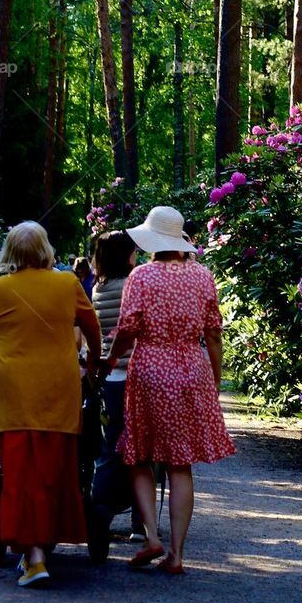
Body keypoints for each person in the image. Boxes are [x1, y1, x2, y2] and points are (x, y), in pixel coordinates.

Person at [99, 205, 235, 574]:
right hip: (192, 368)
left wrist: (111, 361)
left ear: (151, 241)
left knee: (139, 456)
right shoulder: (203, 276)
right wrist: (215, 377)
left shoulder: (141, 277)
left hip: (150, 369)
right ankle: (176, 554)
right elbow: (213, 333)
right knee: (179, 464)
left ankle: (151, 536)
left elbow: (127, 329)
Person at [0, 221, 102, 588]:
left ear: (10, 253)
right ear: (45, 250)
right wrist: (95, 364)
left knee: (19, 474)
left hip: (13, 391)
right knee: (54, 472)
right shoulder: (67, 283)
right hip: (57, 389)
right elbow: (91, 328)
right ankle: (40, 550)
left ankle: (33, 554)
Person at [89, 230, 142, 542]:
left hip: (111, 377)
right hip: (135, 373)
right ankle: (140, 521)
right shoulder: (131, 285)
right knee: (141, 449)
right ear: (126, 255)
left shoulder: (99, 287)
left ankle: (101, 512)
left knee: (111, 447)